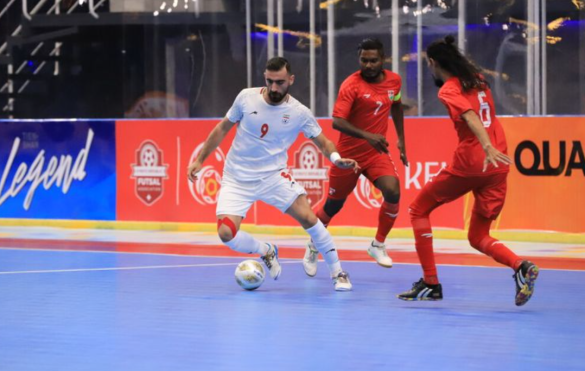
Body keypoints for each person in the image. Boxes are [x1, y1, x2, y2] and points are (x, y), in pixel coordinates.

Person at [187, 57, 359, 291]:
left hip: (273, 177)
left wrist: (336, 159)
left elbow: (324, 142)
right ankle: (266, 250)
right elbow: (222, 128)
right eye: (270, 82)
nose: (274, 88)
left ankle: (338, 272)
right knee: (226, 233)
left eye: (280, 82)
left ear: (291, 79)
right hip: (237, 177)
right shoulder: (246, 98)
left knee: (309, 218)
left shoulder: (299, 112)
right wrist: (199, 159)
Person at [397, 35, 539, 306]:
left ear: (432, 63)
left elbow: (470, 116)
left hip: (476, 159)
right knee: (478, 236)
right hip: (498, 163)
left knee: (418, 210)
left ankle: (430, 282)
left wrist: (485, 145)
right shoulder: (479, 80)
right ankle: (521, 267)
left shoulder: (448, 89)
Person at [302, 38, 407, 277]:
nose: (368, 65)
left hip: (375, 154)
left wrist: (401, 139)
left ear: (383, 59)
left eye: (373, 60)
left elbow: (397, 105)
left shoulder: (394, 81)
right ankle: (312, 245)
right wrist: (368, 135)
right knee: (332, 207)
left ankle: (378, 244)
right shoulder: (351, 85)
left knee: (393, 190)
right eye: (364, 60)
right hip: (348, 157)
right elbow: (337, 122)